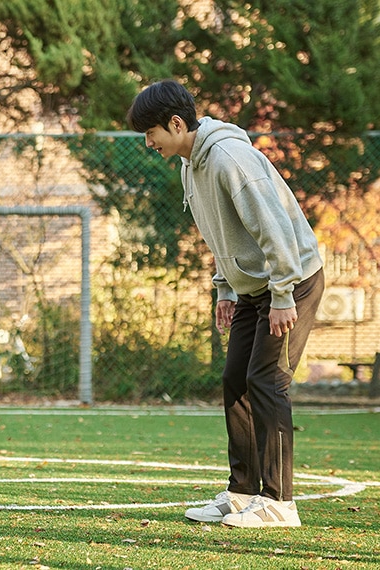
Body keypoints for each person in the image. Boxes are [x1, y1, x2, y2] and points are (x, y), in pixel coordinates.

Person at [126, 79, 325, 528]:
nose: (148, 142)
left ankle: (279, 503)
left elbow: (274, 229)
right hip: (255, 288)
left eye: (151, 133)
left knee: (268, 381)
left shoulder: (229, 159)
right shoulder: (190, 166)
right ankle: (242, 493)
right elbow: (220, 232)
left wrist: (281, 296)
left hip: (292, 281)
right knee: (236, 378)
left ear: (175, 124)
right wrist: (225, 288)